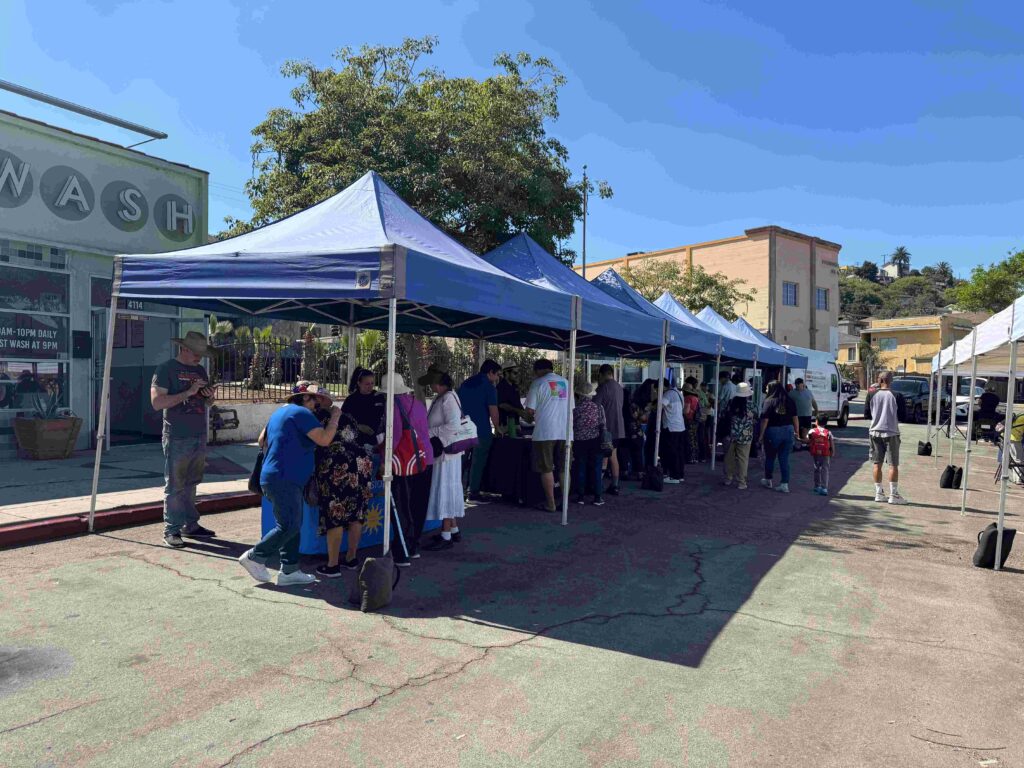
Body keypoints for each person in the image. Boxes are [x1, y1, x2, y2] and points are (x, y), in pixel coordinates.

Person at [239, 385, 340, 586]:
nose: (316, 405)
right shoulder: (302, 413)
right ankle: (255, 556)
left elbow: (261, 440)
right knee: (290, 525)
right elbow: (325, 439)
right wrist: (335, 417)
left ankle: (290, 569)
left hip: (276, 476)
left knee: (291, 524)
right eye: (313, 400)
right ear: (303, 398)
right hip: (286, 477)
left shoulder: (279, 412)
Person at [150, 331, 218, 548]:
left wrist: (208, 397)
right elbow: (157, 403)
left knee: (192, 483)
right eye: (197, 352)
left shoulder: (199, 370)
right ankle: (171, 530)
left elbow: (206, 404)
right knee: (176, 485)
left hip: (198, 433)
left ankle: (191, 525)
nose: (200, 357)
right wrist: (188, 392)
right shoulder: (165, 369)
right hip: (177, 434)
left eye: (202, 353)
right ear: (185, 349)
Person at [310, 388, 375, 578]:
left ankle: (332, 565)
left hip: (337, 468)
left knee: (335, 513)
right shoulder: (346, 416)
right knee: (356, 512)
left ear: (319, 400)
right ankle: (351, 558)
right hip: (360, 465)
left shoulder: (316, 418)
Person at [380, 373, 434, 560]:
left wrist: (383, 461)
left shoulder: (393, 406)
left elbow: (393, 440)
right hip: (424, 458)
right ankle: (413, 545)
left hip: (404, 462)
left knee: (402, 506)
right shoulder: (417, 403)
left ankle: (402, 549)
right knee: (418, 504)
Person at [423, 371, 465, 550]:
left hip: (447, 454)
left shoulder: (447, 399)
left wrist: (429, 433)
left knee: (446, 490)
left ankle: (446, 535)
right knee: (448, 489)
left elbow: (453, 425)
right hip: (444, 453)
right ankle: (453, 530)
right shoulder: (443, 397)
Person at [524, 359, 572, 513]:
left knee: (546, 468)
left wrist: (528, 417)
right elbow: (571, 408)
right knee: (564, 468)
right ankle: (565, 504)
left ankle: (550, 504)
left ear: (538, 370)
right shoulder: (566, 382)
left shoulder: (538, 383)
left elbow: (529, 411)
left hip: (545, 432)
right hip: (566, 432)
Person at [458, 359, 500, 501]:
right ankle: (473, 492)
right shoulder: (489, 388)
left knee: (460, 462)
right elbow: (493, 411)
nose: (497, 378)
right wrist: (498, 428)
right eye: (497, 375)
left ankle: (456, 491)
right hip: (481, 430)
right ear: (490, 372)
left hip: (462, 429)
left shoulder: (465, 384)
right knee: (478, 462)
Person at [868, 371, 907, 504]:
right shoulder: (897, 396)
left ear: (881, 380)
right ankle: (893, 495)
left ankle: (879, 493)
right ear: (890, 381)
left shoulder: (871, 394)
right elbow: (903, 416)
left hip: (874, 432)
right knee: (893, 464)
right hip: (891, 433)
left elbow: (867, 414)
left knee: (876, 463)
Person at [757, 381, 800, 493]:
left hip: (773, 431)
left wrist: (761, 435)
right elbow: (795, 418)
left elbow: (765, 420)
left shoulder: (769, 401)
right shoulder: (790, 400)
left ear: (771, 388)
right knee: (784, 458)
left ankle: (768, 479)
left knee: (770, 457)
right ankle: (784, 484)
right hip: (788, 430)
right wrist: (797, 432)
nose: (766, 389)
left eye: (767, 387)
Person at [572, 381, 606, 506]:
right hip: (595, 441)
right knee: (597, 469)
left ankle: (580, 496)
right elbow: (603, 424)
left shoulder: (575, 408)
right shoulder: (598, 407)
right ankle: (598, 497)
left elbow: (572, 425)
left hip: (579, 442)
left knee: (581, 468)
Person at [593, 364, 625, 495]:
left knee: (603, 457)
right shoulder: (619, 387)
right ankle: (615, 485)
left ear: (601, 375)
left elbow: (595, 406)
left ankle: (598, 486)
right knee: (613, 456)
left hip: (607, 428)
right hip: (619, 428)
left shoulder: (603, 387)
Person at [342, 368, 386, 453]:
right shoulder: (351, 400)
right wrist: (358, 426)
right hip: (357, 441)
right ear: (359, 383)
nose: (370, 386)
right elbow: (343, 420)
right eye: (367, 384)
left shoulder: (379, 397)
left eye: (372, 383)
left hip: (377, 441)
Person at [722, 382, 756, 489]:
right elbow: (756, 417)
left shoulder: (730, 404)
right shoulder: (751, 405)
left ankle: (728, 478)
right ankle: (742, 482)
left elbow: (723, 415)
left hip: (731, 434)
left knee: (729, 457)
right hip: (746, 435)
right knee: (743, 459)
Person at [660, 379, 687, 484]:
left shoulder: (668, 394)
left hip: (671, 427)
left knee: (672, 452)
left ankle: (673, 476)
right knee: (679, 452)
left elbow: (659, 406)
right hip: (680, 426)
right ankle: (680, 475)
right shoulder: (679, 393)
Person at [807, 412, 836, 496]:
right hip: (826, 453)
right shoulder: (828, 432)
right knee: (825, 469)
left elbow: (808, 440)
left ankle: (817, 486)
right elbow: (832, 443)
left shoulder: (812, 431)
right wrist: (833, 452)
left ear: (816, 422)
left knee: (816, 468)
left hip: (816, 452)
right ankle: (824, 488)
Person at [788, 378, 818, 446]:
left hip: (807, 415)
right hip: (797, 415)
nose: (797, 385)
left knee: (805, 430)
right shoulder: (792, 393)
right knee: (797, 430)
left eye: (799, 384)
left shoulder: (808, 392)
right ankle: (794, 444)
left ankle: (804, 444)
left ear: (802, 384)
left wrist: (816, 410)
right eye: (796, 384)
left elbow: (813, 401)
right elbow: (787, 402)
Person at [682, 378, 701, 464]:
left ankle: (690, 457)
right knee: (694, 438)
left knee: (689, 439)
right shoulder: (695, 397)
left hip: (689, 420)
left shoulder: (687, 398)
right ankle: (695, 457)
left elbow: (686, 411)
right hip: (695, 420)